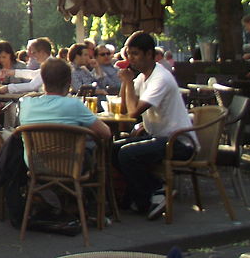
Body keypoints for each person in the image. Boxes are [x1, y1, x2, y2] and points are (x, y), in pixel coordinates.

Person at [113, 31, 197, 219]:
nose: (131, 59)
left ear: (149, 54)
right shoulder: (142, 77)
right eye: (128, 54)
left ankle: (157, 189)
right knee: (112, 150)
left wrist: (127, 81)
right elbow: (124, 107)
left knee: (127, 154)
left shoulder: (160, 78)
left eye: (135, 54)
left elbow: (134, 112)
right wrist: (125, 82)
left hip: (178, 141)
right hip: (158, 138)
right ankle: (145, 198)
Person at [18, 57, 110, 141]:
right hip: (73, 158)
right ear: (69, 81)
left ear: (43, 81)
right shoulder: (74, 104)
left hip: (35, 159)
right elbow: (106, 133)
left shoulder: (26, 104)